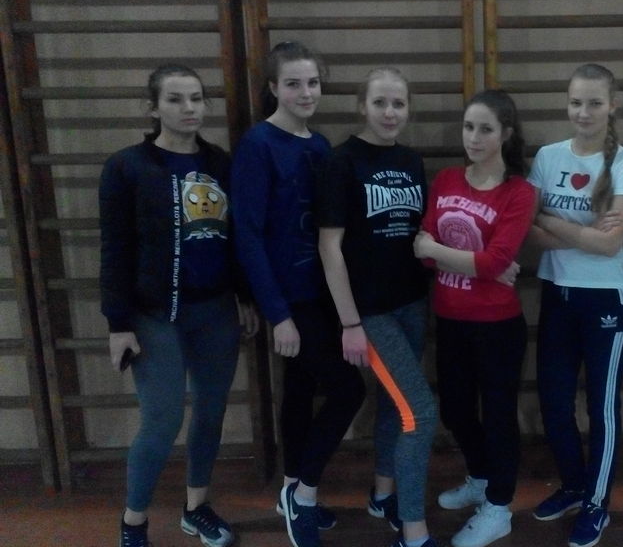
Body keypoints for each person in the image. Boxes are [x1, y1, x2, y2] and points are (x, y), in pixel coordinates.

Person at [101, 64, 258, 547]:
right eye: (175, 99)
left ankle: (196, 507)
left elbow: (237, 238)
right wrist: (118, 323)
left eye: (196, 98)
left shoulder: (220, 163)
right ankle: (133, 522)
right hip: (154, 315)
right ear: (153, 108)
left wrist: (244, 296)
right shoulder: (128, 167)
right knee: (163, 419)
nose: (189, 108)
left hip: (215, 311)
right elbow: (115, 248)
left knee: (210, 412)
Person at [231, 41, 366, 547]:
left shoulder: (320, 145)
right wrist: (277, 313)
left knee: (302, 391)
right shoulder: (258, 145)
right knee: (348, 391)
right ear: (273, 88)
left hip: (323, 293)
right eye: (293, 83)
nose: (305, 92)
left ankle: (291, 486)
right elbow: (247, 234)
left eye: (312, 82)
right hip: (292, 301)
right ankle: (302, 495)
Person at [315, 67, 438, 547]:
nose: (390, 113)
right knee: (420, 413)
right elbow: (330, 247)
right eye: (380, 102)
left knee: (396, 404)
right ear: (362, 106)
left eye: (399, 104)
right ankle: (413, 530)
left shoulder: (411, 160)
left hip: (412, 304)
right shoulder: (341, 161)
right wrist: (350, 321)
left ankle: (383, 495)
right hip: (370, 313)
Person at [527, 63, 623, 547]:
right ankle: (574, 486)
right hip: (557, 294)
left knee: (602, 407)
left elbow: (610, 245)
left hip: (607, 300)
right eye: (576, 102)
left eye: (595, 103)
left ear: (612, 105)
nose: (584, 112)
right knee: (554, 402)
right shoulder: (548, 157)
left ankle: (597, 502)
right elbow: (528, 231)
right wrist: (583, 232)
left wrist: (553, 220)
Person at [413, 90, 535, 547]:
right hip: (450, 320)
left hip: (498, 326)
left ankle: (499, 507)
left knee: (499, 415)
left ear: (506, 134)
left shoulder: (518, 192)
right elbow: (424, 254)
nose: (475, 137)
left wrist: (456, 255)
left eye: (486, 129)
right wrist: (479, 264)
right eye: (469, 127)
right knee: (455, 410)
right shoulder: (446, 179)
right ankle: (482, 477)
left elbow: (492, 259)